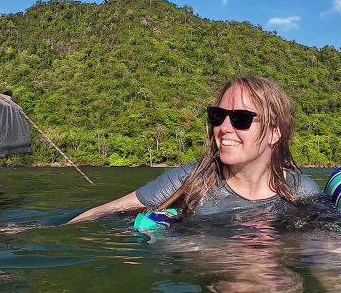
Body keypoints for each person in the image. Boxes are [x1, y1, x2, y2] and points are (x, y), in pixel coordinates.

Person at [68, 76, 321, 223]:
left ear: (274, 132)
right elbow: (104, 211)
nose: (223, 128)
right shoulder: (191, 179)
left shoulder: (300, 192)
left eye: (240, 118)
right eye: (218, 115)